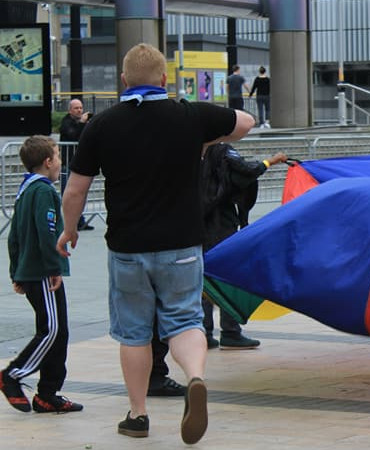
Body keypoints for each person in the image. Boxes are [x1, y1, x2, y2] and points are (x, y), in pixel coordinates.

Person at [56, 43, 254, 444]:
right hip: (182, 244)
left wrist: (70, 229)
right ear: (164, 79)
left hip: (127, 247)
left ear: (123, 80)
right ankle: (195, 377)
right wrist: (205, 138)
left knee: (134, 332)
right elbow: (246, 122)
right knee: (185, 321)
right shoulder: (189, 116)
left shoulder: (102, 125)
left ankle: (138, 415)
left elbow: (75, 190)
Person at [0, 136, 83, 414]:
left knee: (59, 331)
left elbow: (14, 236)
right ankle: (12, 375)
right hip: (43, 272)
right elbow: (47, 233)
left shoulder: (25, 190)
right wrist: (53, 267)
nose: (59, 162)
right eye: (57, 157)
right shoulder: (44, 191)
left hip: (31, 270)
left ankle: (48, 394)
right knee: (52, 330)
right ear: (48, 162)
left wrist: (16, 271)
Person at [200, 143, 287, 349]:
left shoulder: (195, 152)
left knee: (204, 281)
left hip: (199, 226)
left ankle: (203, 333)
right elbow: (246, 171)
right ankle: (230, 332)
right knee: (226, 278)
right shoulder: (221, 150)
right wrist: (270, 161)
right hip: (221, 226)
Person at [58, 99, 94, 231]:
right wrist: (82, 123)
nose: (79, 110)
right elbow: (73, 135)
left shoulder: (82, 123)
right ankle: (71, 223)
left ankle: (80, 220)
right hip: (68, 162)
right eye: (76, 108)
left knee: (79, 194)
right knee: (69, 193)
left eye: (80, 108)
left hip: (79, 162)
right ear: (70, 110)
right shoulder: (66, 122)